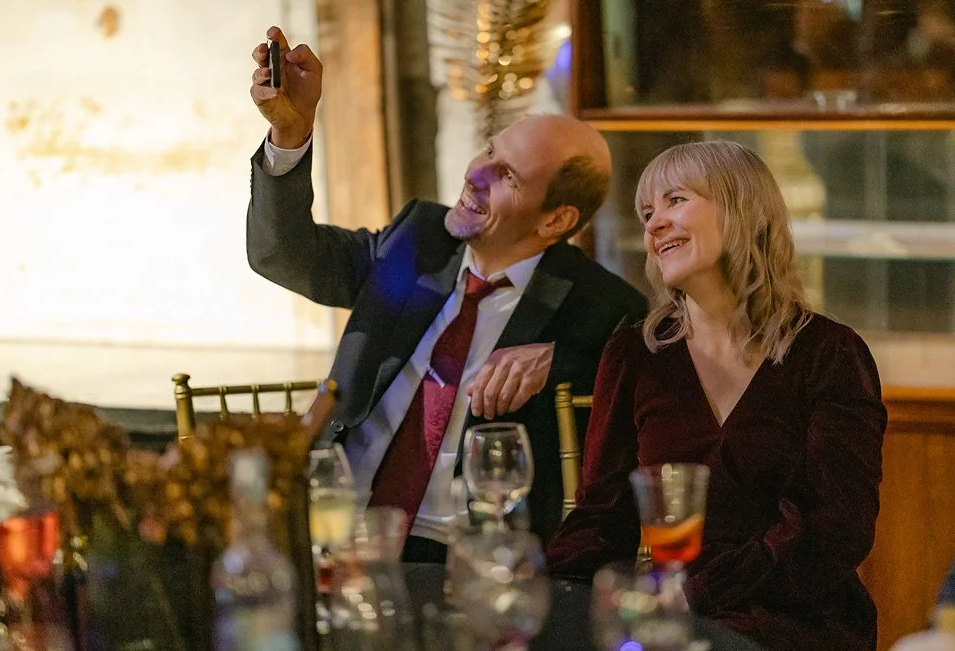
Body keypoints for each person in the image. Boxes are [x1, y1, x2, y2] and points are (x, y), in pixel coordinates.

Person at [247, 27, 647, 563]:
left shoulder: (599, 305)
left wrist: (562, 360)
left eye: (506, 174)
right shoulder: (418, 240)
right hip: (336, 523)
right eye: (488, 150)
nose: (474, 173)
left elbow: (649, 371)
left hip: (468, 554)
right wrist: (290, 137)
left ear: (557, 219)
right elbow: (282, 254)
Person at [545, 140, 887, 650]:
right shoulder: (636, 353)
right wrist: (538, 592)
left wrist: (697, 596)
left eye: (675, 200)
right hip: (675, 624)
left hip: (799, 621)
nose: (654, 224)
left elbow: (834, 528)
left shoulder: (829, 353)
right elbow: (605, 513)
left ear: (740, 208)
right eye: (646, 212)